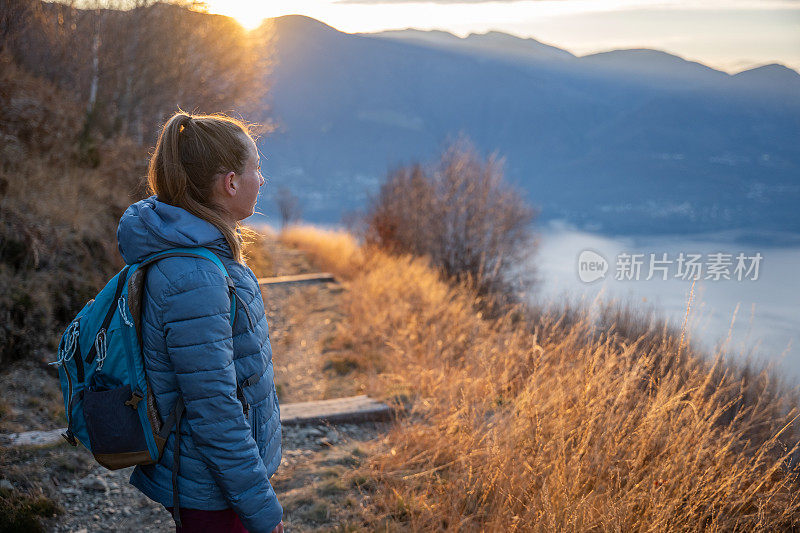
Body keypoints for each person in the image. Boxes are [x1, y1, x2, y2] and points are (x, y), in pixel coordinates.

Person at [116, 111, 284, 533]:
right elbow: (216, 409)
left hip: (215, 481)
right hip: (214, 490)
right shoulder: (196, 276)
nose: (261, 180)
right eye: (256, 169)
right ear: (230, 182)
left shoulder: (198, 257)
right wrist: (262, 511)